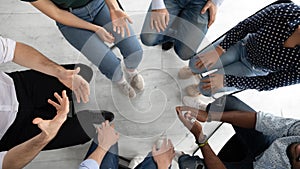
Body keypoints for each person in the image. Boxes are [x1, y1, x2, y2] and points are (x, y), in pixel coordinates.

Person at [0, 36, 111, 169]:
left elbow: (13, 50)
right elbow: (7, 164)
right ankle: (72, 116)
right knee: (86, 131)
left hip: (18, 86)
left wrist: (60, 73)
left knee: (83, 72)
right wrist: (45, 137)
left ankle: (67, 103)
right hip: (13, 132)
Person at [21, 0, 144, 98]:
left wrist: (113, 7)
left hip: (100, 4)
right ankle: (121, 81)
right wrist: (95, 28)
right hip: (69, 18)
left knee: (134, 51)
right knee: (109, 65)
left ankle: (131, 71)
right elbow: (57, 14)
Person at [182, 2, 300, 104]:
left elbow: (269, 83)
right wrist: (219, 50)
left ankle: (198, 89)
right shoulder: (289, 11)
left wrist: (227, 80)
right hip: (241, 45)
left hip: (253, 69)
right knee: (195, 64)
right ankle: (193, 71)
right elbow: (246, 25)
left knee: (205, 88)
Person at [176, 95, 300, 169]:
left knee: (189, 165)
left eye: (299, 158)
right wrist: (210, 116)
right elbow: (262, 120)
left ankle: (178, 156)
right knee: (229, 103)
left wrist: (201, 138)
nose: (299, 147)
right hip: (267, 146)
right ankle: (206, 108)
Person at [140, 0, 223, 60]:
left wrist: (215, 2)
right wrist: (158, 5)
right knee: (148, 38)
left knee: (185, 54)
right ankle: (172, 30)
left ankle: (175, 26)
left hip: (201, 3)